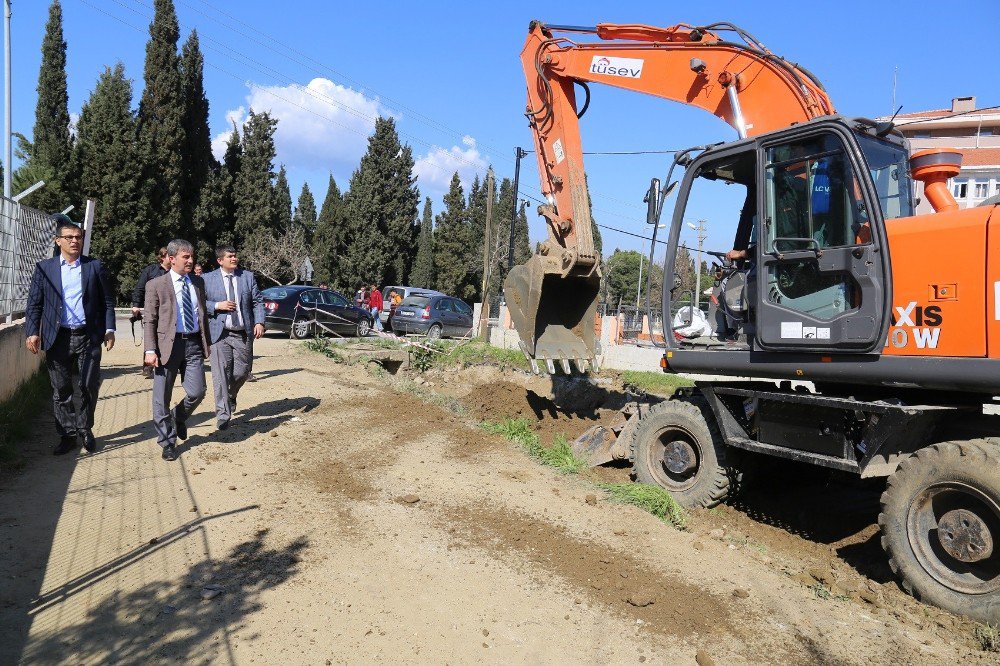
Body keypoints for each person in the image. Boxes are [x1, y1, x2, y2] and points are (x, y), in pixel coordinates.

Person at [25, 216, 116, 455]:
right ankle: (67, 434)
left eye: (78, 237)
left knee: (88, 385)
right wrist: (32, 332)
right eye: (69, 237)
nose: (75, 241)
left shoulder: (94, 266)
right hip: (58, 337)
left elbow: (107, 301)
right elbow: (34, 304)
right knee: (61, 389)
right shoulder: (45, 269)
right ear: (58, 241)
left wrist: (109, 328)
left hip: (88, 335)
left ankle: (85, 428)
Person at [143, 239, 210, 461]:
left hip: (192, 344)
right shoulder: (156, 285)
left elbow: (202, 314)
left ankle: (178, 415)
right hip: (166, 347)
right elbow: (150, 320)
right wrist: (150, 350)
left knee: (198, 391)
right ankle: (167, 442)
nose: (191, 260)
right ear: (172, 259)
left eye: (192, 256)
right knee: (161, 396)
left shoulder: (198, 283)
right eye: (186, 257)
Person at [203, 245, 265, 431]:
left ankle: (231, 394)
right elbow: (198, 303)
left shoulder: (247, 277)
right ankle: (223, 414)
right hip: (219, 334)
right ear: (220, 260)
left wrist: (259, 322)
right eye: (230, 256)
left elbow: (257, 301)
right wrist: (216, 305)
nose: (234, 258)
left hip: (242, 333)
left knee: (242, 372)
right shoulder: (207, 279)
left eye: (235, 255)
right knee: (220, 373)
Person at [132, 247, 170, 378]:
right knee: (151, 336)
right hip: (153, 309)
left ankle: (167, 364)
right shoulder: (150, 270)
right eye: (168, 255)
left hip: (168, 311)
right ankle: (148, 367)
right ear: (162, 258)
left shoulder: (175, 272)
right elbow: (139, 288)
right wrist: (136, 305)